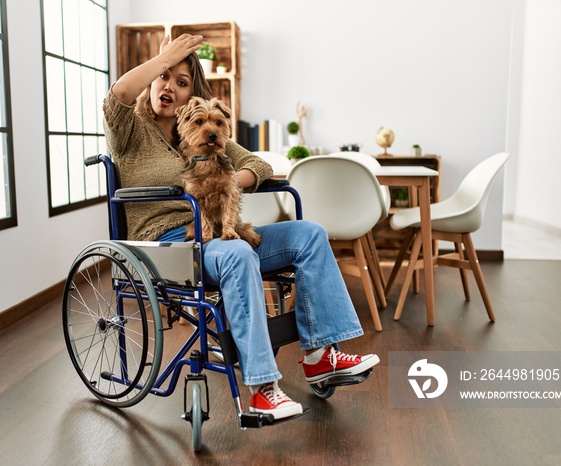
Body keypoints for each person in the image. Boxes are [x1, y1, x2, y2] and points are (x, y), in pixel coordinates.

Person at [103, 33, 379, 420]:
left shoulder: (205, 133)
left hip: (219, 234)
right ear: (151, 81)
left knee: (310, 234)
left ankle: (320, 357)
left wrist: (229, 180)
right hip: (166, 244)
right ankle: (264, 388)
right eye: (163, 76)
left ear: (190, 98)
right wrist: (166, 57)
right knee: (236, 254)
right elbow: (118, 93)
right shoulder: (129, 129)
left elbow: (260, 165)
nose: (169, 86)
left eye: (182, 82)